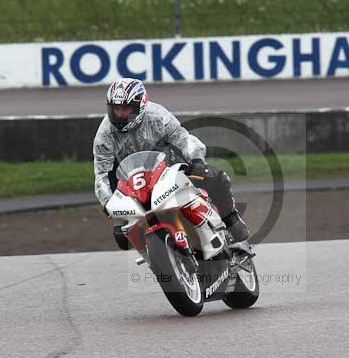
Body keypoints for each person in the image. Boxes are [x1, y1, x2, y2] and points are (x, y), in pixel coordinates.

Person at [93, 77, 249, 249]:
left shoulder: (157, 116)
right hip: (131, 181)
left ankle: (230, 218)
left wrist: (196, 160)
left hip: (167, 167)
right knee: (122, 240)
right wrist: (110, 204)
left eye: (126, 108)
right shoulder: (104, 133)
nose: (121, 114)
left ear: (141, 105)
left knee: (216, 177)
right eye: (116, 109)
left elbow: (183, 138)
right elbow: (102, 174)